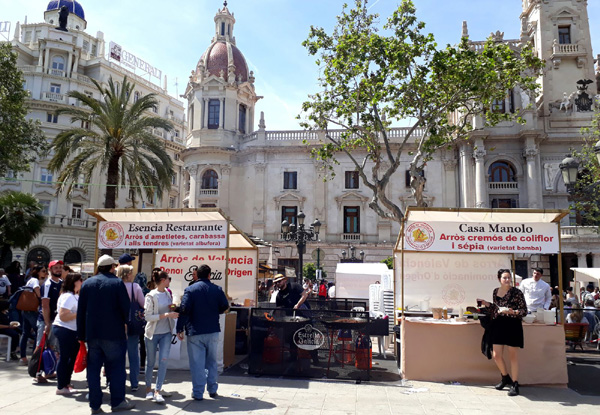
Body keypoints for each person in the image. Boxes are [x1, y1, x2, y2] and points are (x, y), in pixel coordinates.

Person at [77, 254, 133, 414]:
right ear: (112, 267)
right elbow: (126, 308)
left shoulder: (87, 283)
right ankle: (117, 401)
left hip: (92, 334)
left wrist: (81, 335)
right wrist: (126, 323)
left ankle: (95, 405)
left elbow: (81, 311)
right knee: (116, 368)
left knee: (93, 370)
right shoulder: (117, 283)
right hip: (113, 333)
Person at [176, 264, 229, 401]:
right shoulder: (217, 289)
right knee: (212, 362)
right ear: (209, 275)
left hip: (195, 330)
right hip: (212, 329)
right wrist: (215, 311)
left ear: (197, 275)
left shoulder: (190, 290)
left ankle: (198, 392)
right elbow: (225, 305)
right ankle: (212, 389)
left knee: (197, 364)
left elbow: (184, 309)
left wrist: (179, 328)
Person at [478, 269, 527, 397]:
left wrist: (513, 312)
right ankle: (505, 377)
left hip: (512, 324)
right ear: (499, 279)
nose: (507, 280)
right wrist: (486, 304)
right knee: (496, 355)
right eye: (504, 278)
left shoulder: (517, 292)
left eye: (508, 277)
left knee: (513, 356)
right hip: (499, 324)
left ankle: (515, 383)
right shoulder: (496, 291)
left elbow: (524, 311)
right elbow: (496, 308)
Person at [144, 270, 178, 404]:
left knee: (163, 360)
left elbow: (169, 308)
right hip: (152, 333)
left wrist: (173, 307)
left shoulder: (168, 293)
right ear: (163, 280)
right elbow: (148, 317)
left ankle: (158, 390)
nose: (170, 280)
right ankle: (148, 389)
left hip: (166, 332)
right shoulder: (151, 295)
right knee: (151, 362)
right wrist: (167, 315)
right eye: (169, 278)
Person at [52, 272, 83, 395]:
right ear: (74, 282)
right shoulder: (68, 296)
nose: (82, 282)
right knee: (65, 357)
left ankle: (66, 383)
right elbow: (63, 316)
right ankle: (61, 386)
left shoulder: (74, 296)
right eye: (80, 280)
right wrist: (80, 313)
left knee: (71, 357)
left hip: (71, 330)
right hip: (64, 329)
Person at [117, 264, 143, 392]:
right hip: (132, 324)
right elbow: (143, 304)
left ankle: (117, 381)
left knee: (118, 355)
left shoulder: (116, 286)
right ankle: (134, 382)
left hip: (118, 324)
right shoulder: (135, 287)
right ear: (128, 274)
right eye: (131, 273)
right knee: (133, 355)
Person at [19, 266, 46, 366]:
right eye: (43, 271)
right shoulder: (35, 281)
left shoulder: (30, 280)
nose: (45, 273)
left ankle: (23, 357)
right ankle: (34, 358)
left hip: (25, 308)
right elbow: (38, 294)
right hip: (32, 310)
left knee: (25, 333)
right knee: (38, 332)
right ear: (38, 272)